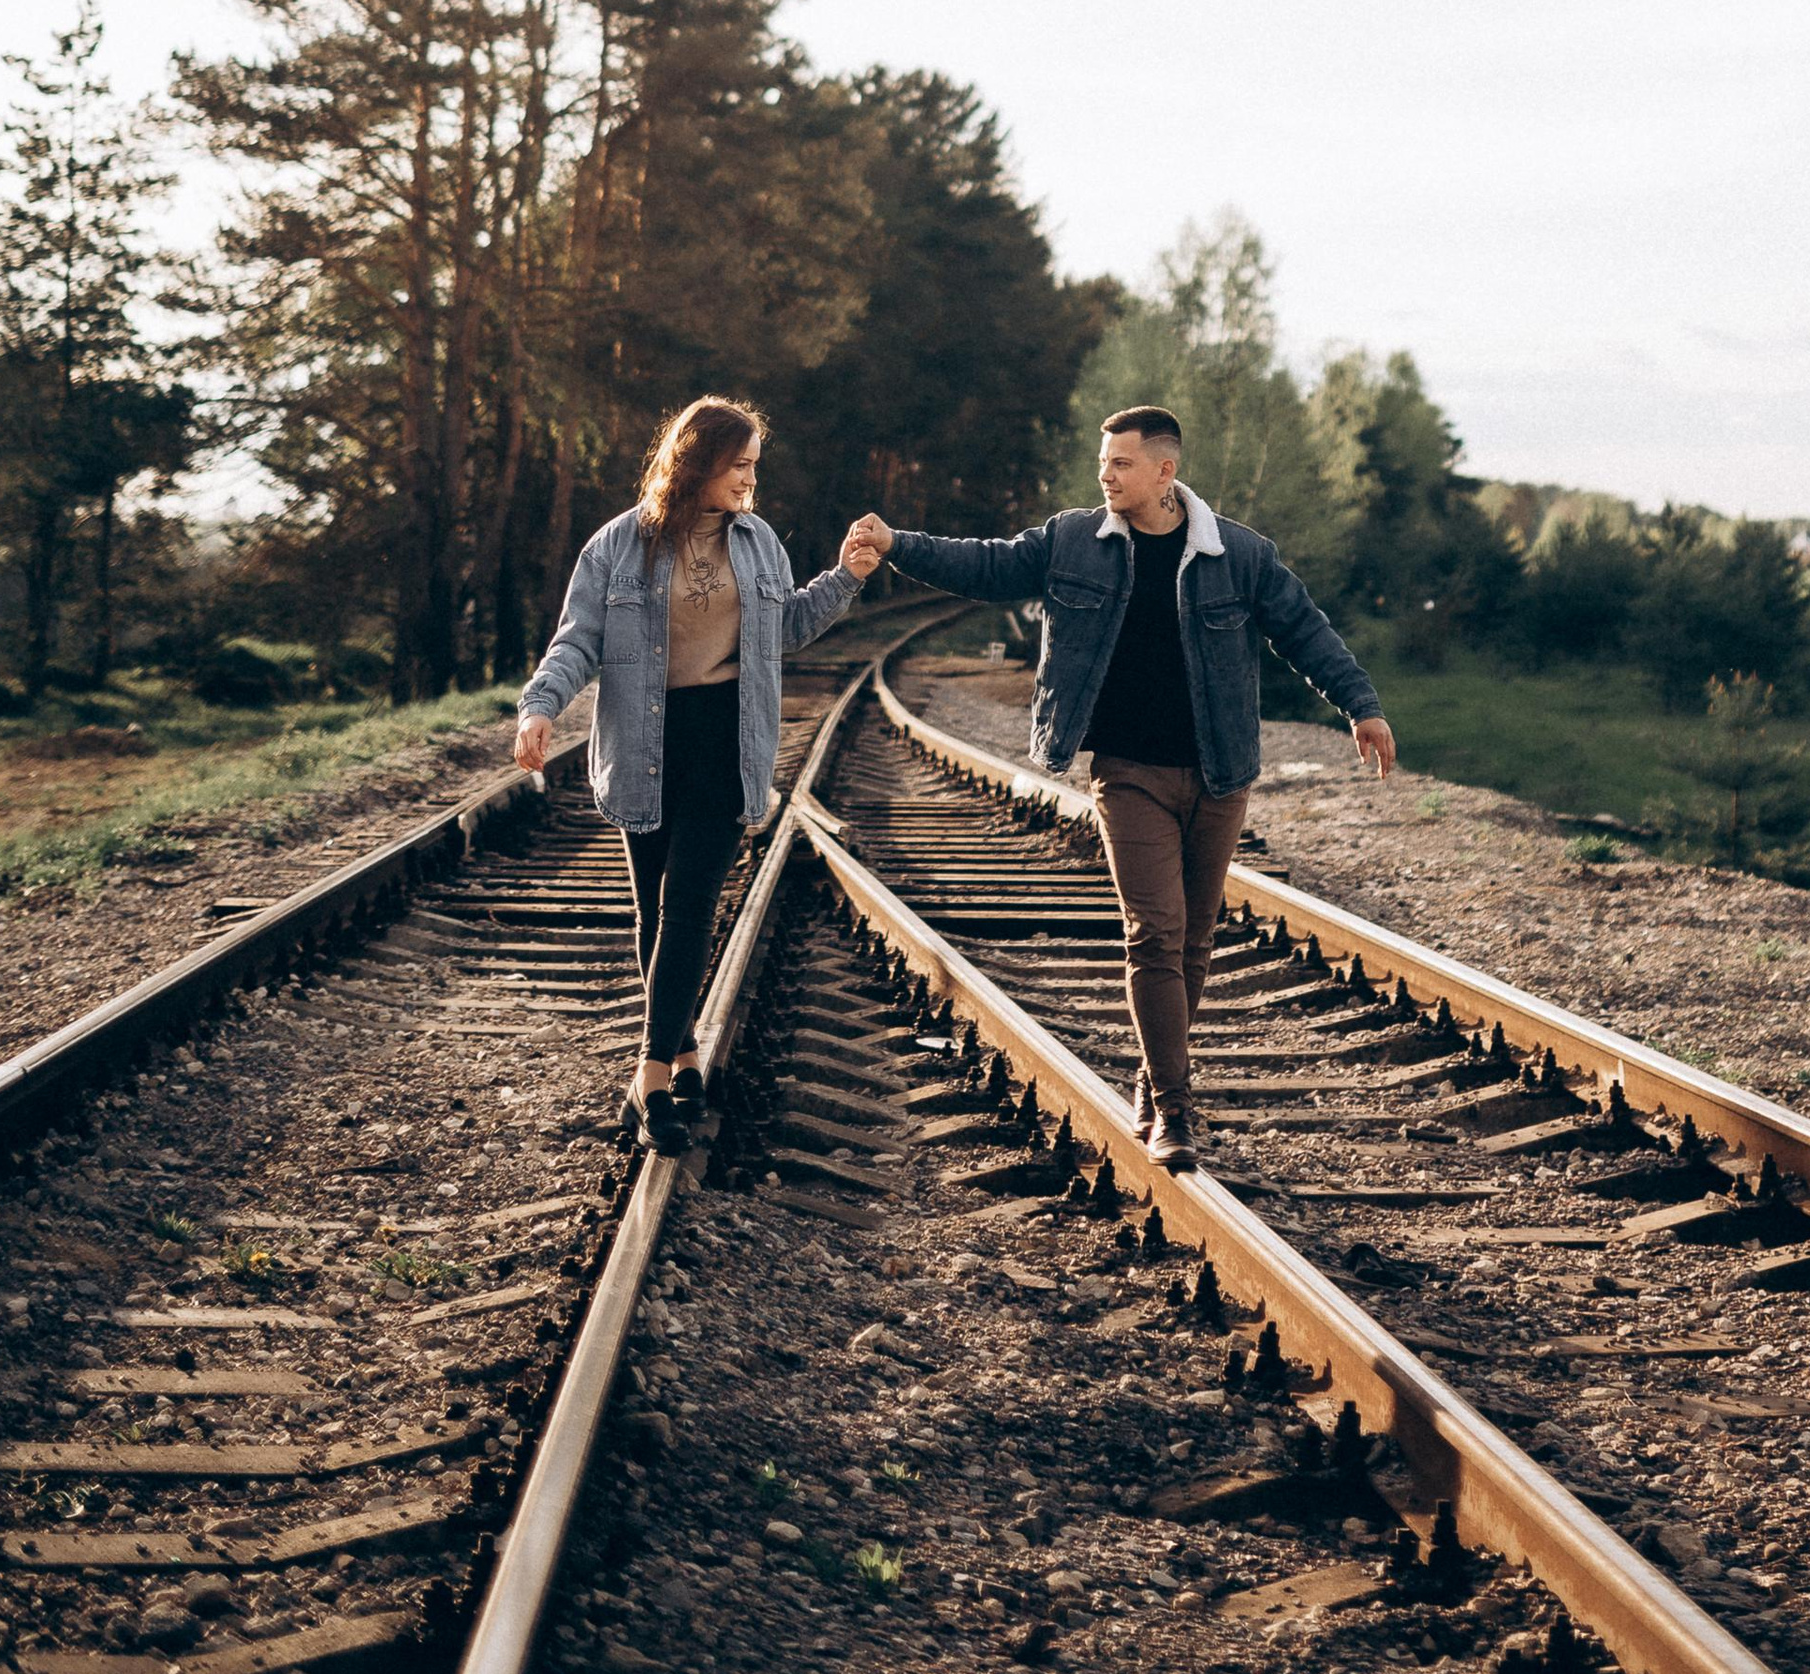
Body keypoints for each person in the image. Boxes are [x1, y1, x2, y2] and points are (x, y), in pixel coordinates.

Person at [842, 405, 1393, 1168]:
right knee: (1154, 932)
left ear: (1165, 471)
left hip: (1220, 771)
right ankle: (1174, 1106)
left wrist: (1359, 704)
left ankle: (1153, 1072)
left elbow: (1304, 630)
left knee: (1193, 940)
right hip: (1128, 772)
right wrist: (899, 543)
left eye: (1121, 463)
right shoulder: (1073, 539)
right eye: (1103, 462)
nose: (1105, 474)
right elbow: (988, 565)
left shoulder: (1239, 554)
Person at [515, 395, 876, 1154]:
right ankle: (682, 1057)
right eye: (738, 464)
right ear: (698, 462)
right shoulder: (618, 545)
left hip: (726, 740)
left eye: (754, 465)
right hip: (642, 741)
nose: (750, 479)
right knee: (654, 912)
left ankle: (647, 1078)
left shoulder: (759, 541)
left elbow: (787, 627)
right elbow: (578, 640)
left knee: (688, 907)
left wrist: (844, 577)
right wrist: (540, 708)